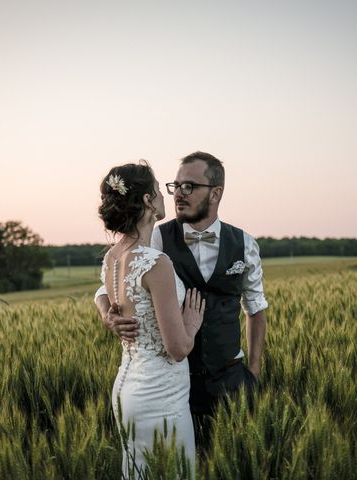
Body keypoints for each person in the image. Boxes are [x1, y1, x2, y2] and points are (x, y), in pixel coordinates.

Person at [96, 152, 268, 429]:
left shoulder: (245, 243)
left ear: (215, 193)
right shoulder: (154, 238)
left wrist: (254, 372)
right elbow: (107, 285)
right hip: (179, 381)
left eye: (190, 186)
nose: (179, 194)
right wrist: (107, 315)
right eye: (175, 186)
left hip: (231, 377)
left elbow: (256, 308)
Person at [97, 161, 205, 479]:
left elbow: (104, 294)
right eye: (158, 189)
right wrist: (193, 321)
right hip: (162, 397)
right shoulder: (156, 263)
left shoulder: (112, 256)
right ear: (147, 200)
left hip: (127, 391)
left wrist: (107, 314)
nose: (163, 196)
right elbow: (177, 348)